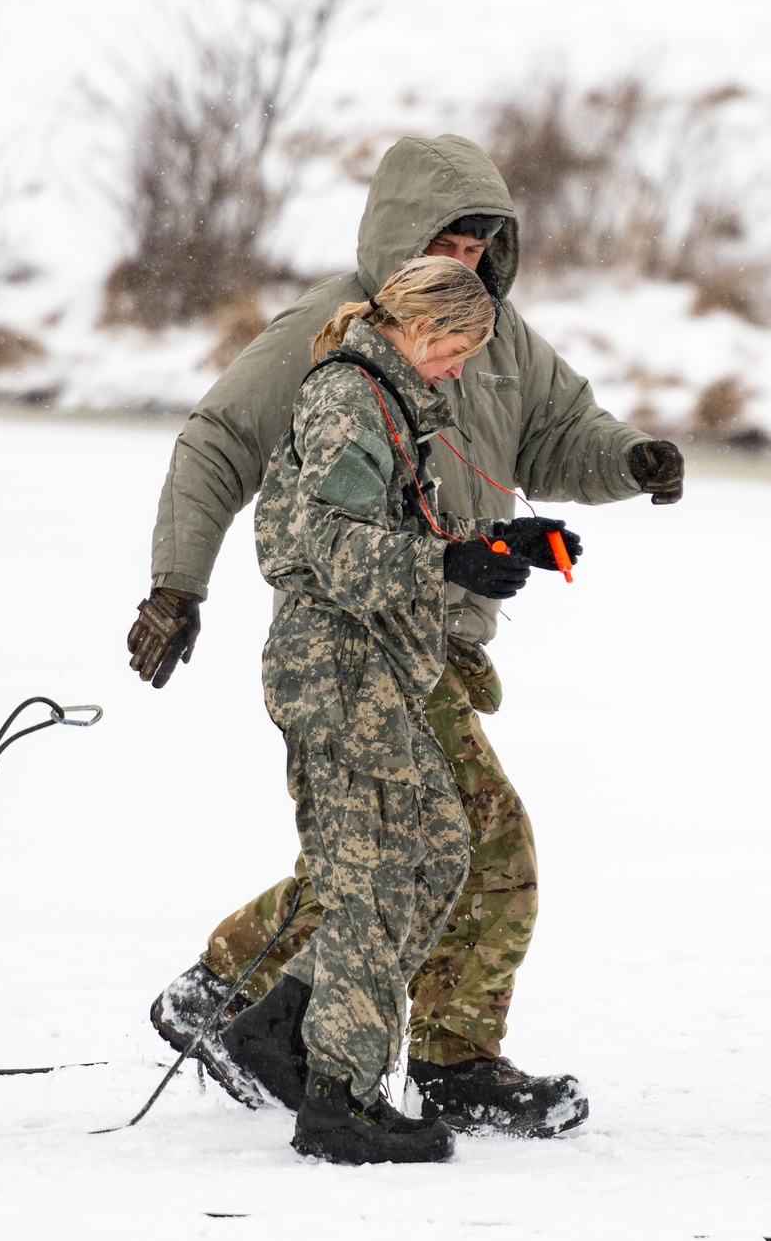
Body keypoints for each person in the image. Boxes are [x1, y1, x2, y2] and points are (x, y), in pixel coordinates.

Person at [131, 134, 684, 1137]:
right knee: (471, 841)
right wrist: (177, 586)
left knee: (382, 848)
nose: (467, 260)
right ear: (396, 237)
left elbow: (563, 434)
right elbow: (219, 442)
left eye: (485, 243)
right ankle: (449, 1057)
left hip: (441, 639)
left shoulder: (496, 337)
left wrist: (630, 459)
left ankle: (226, 990)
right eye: (448, 239)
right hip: (364, 630)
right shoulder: (333, 337)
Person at [242, 255, 538, 1163]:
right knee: (376, 878)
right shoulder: (349, 397)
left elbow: (377, 531)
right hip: (338, 671)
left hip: (376, 670)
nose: (458, 369)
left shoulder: (390, 401)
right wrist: (448, 567)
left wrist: (486, 544)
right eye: (456, 350)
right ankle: (341, 1100)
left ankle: (284, 1016)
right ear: (418, 329)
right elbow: (332, 551)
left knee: (441, 849)